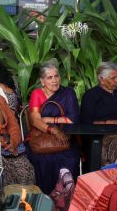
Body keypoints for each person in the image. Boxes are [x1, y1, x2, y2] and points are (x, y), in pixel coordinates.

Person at [25, 61, 81, 194]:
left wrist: (48, 119)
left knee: (70, 158)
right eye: (50, 77)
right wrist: (53, 129)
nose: (54, 80)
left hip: (65, 136)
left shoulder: (68, 93)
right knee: (42, 160)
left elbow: (72, 119)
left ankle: (67, 196)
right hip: (41, 138)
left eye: (56, 76)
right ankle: (48, 196)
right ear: (42, 81)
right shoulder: (37, 94)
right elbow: (35, 120)